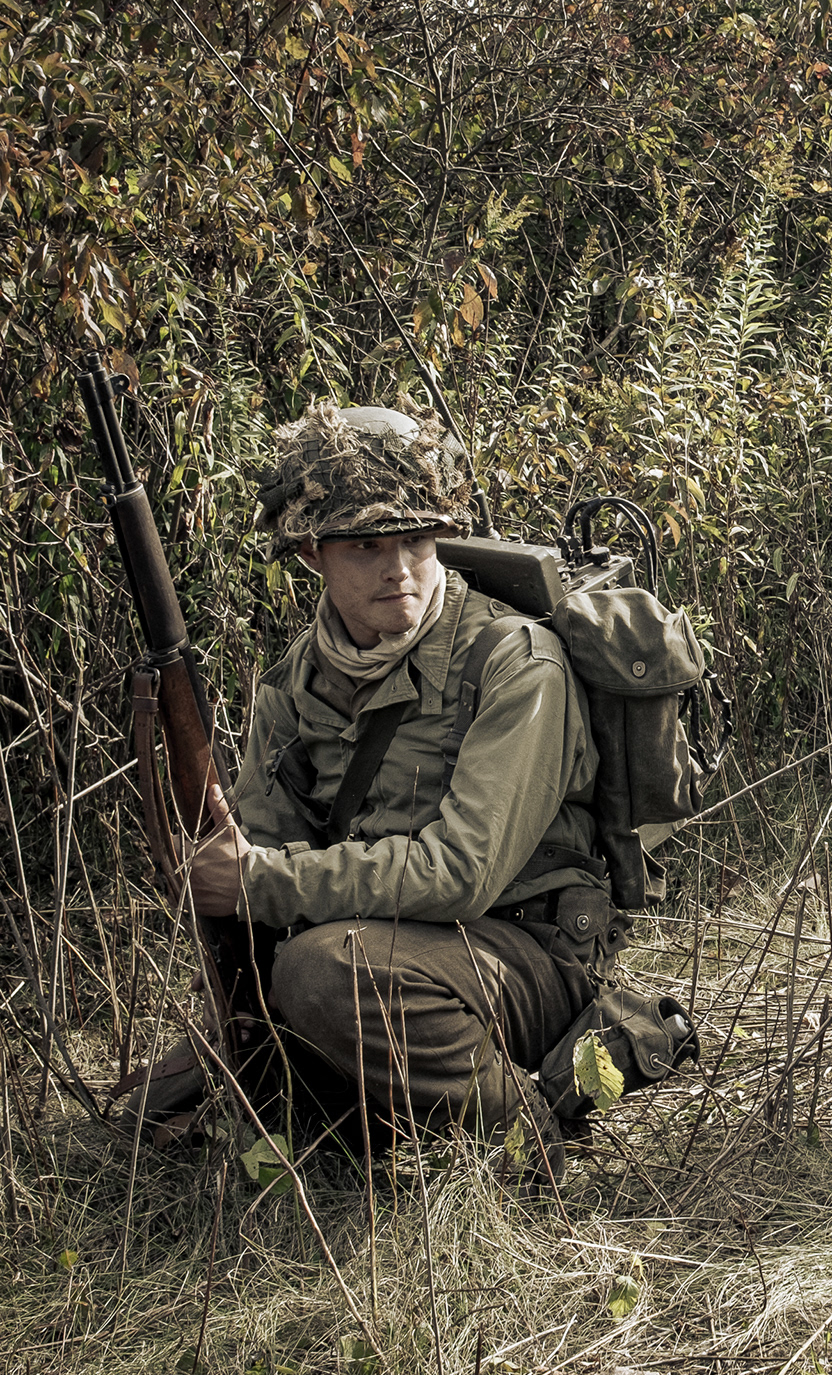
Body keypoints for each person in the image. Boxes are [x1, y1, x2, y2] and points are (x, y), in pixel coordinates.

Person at [157, 400, 646, 1179]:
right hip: (381, 950)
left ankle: (526, 1144)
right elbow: (265, 849)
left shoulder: (516, 662)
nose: (399, 569)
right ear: (312, 553)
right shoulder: (296, 683)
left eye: (417, 540)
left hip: (527, 952)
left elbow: (460, 874)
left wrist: (260, 882)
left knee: (323, 973)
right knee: (167, 1101)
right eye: (366, 545)